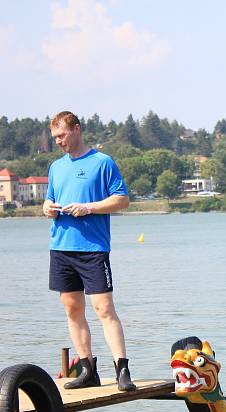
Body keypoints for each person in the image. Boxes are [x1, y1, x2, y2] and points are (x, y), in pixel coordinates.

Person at [43, 111, 135, 391]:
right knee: (72, 309)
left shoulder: (102, 162)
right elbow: (50, 200)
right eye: (55, 137)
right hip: (60, 248)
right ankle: (87, 370)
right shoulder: (56, 168)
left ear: (77, 129)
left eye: (62, 135)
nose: (58, 141)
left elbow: (122, 200)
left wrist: (89, 208)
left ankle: (122, 370)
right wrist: (47, 208)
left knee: (104, 308)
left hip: (93, 249)